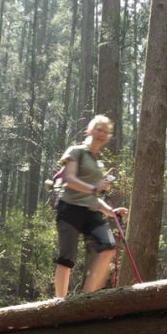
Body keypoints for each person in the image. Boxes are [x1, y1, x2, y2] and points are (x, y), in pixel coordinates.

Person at [53, 115, 129, 298]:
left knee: (109, 247)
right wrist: (95, 187)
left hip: (90, 211)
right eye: (98, 129)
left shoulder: (98, 164)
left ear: (108, 137)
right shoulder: (76, 151)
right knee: (67, 258)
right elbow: (69, 179)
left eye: (106, 131)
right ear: (89, 131)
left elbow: (92, 196)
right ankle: (59, 304)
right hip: (69, 207)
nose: (102, 133)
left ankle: (86, 298)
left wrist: (110, 212)